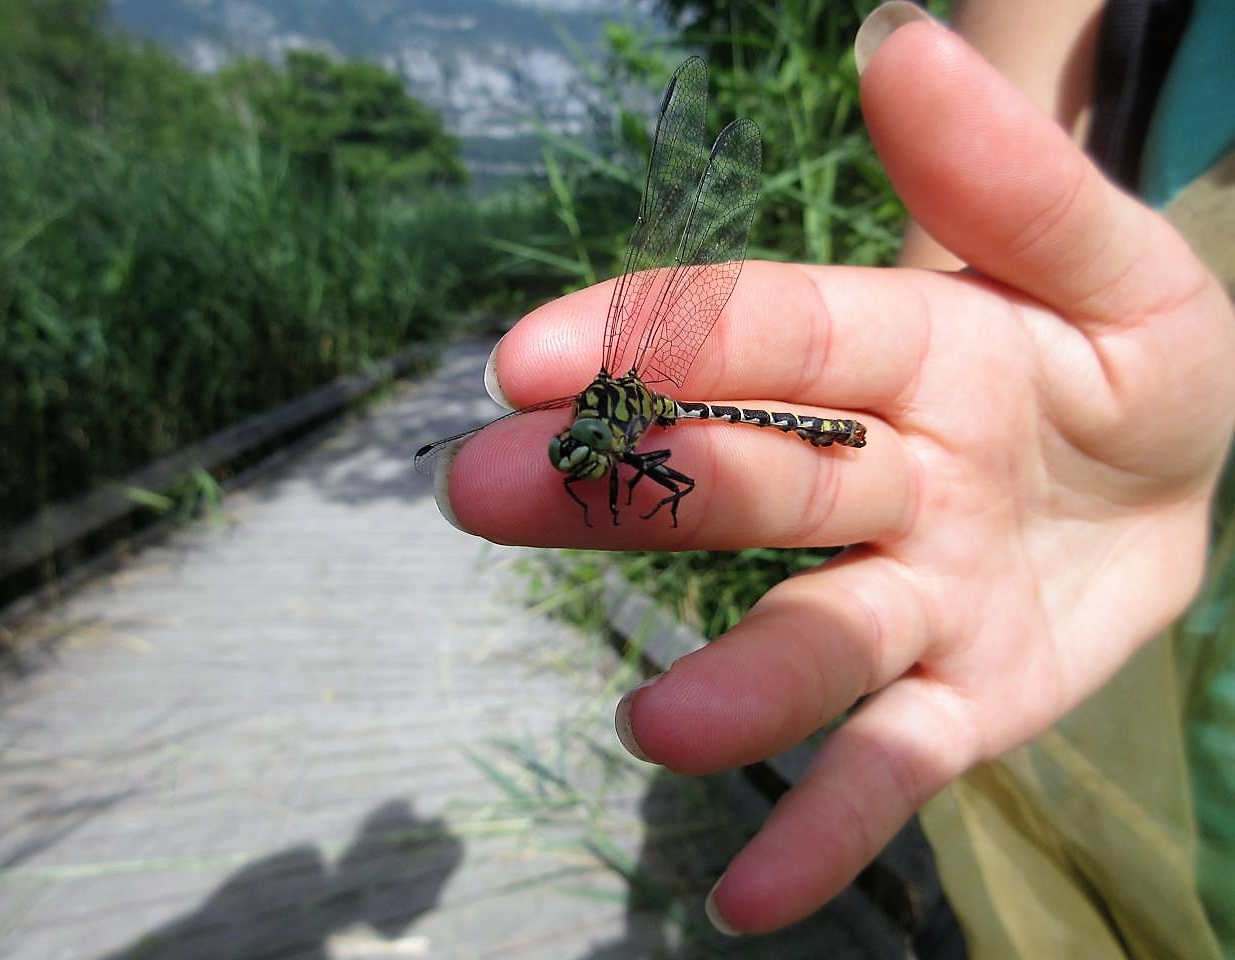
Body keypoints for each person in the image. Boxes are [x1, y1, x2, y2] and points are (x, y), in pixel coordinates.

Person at [432, 0, 1235, 947]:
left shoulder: (622, 420)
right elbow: (663, 478)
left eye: (577, 452)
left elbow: (669, 482)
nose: (575, 463)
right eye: (578, 457)